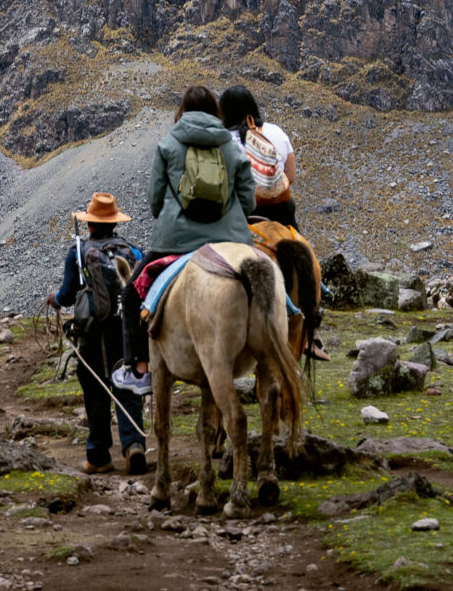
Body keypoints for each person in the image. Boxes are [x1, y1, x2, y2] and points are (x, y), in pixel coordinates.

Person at [118, 85, 258, 394]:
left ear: (182, 110)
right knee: (271, 282)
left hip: (175, 241)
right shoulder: (232, 145)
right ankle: (293, 324)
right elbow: (249, 202)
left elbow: (155, 201)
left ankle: (140, 370)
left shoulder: (168, 144)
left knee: (131, 294)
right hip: (230, 239)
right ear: (215, 111)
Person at [47, 191, 148, 474]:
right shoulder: (132, 251)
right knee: (126, 384)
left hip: (91, 332)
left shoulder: (78, 252)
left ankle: (98, 454)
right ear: (114, 223)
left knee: (95, 390)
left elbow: (67, 295)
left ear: (90, 224)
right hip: (125, 330)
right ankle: (134, 445)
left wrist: (54, 298)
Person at [221, 83, 298, 229]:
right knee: (300, 247)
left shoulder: (224, 141)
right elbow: (291, 177)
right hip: (281, 212)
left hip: (241, 216)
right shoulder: (276, 131)